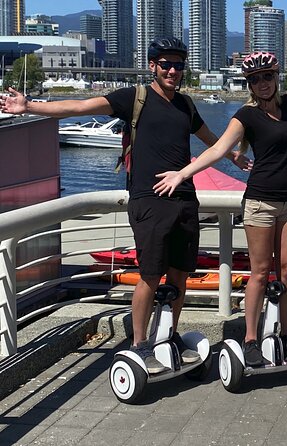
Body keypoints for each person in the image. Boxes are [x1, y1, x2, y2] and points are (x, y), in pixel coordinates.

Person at [0, 37, 249, 374]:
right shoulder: (134, 98)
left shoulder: (186, 105)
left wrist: (233, 155)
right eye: (166, 64)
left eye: (178, 64)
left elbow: (208, 138)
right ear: (152, 66)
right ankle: (140, 344)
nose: (173, 70)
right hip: (148, 200)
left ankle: (170, 336)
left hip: (185, 199)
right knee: (149, 275)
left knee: (179, 273)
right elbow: (79, 107)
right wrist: (30, 107)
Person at [153, 49, 287, 367]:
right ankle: (251, 338)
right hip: (260, 203)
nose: (263, 83)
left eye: (268, 76)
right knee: (260, 273)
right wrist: (183, 173)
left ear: (276, 77)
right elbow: (219, 148)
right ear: (249, 85)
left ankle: (285, 334)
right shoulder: (246, 117)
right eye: (255, 79)